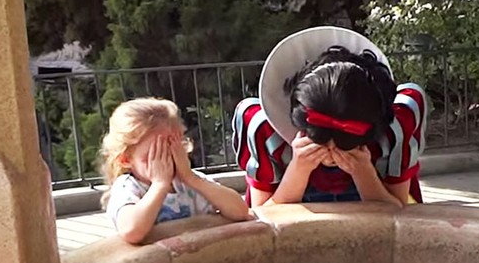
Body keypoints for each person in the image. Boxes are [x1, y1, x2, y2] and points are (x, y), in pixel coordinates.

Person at [232, 26, 428, 207]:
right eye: (319, 140)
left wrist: (363, 172)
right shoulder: (264, 129)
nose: (331, 153)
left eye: (346, 143)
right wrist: (298, 169)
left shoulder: (398, 126)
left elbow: (400, 216)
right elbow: (261, 220)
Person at [101, 98, 250, 244]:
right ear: (126, 159)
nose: (166, 161)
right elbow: (131, 231)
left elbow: (240, 211)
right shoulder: (128, 188)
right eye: (155, 155)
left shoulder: (189, 182)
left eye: (171, 150)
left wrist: (191, 178)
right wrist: (159, 185)